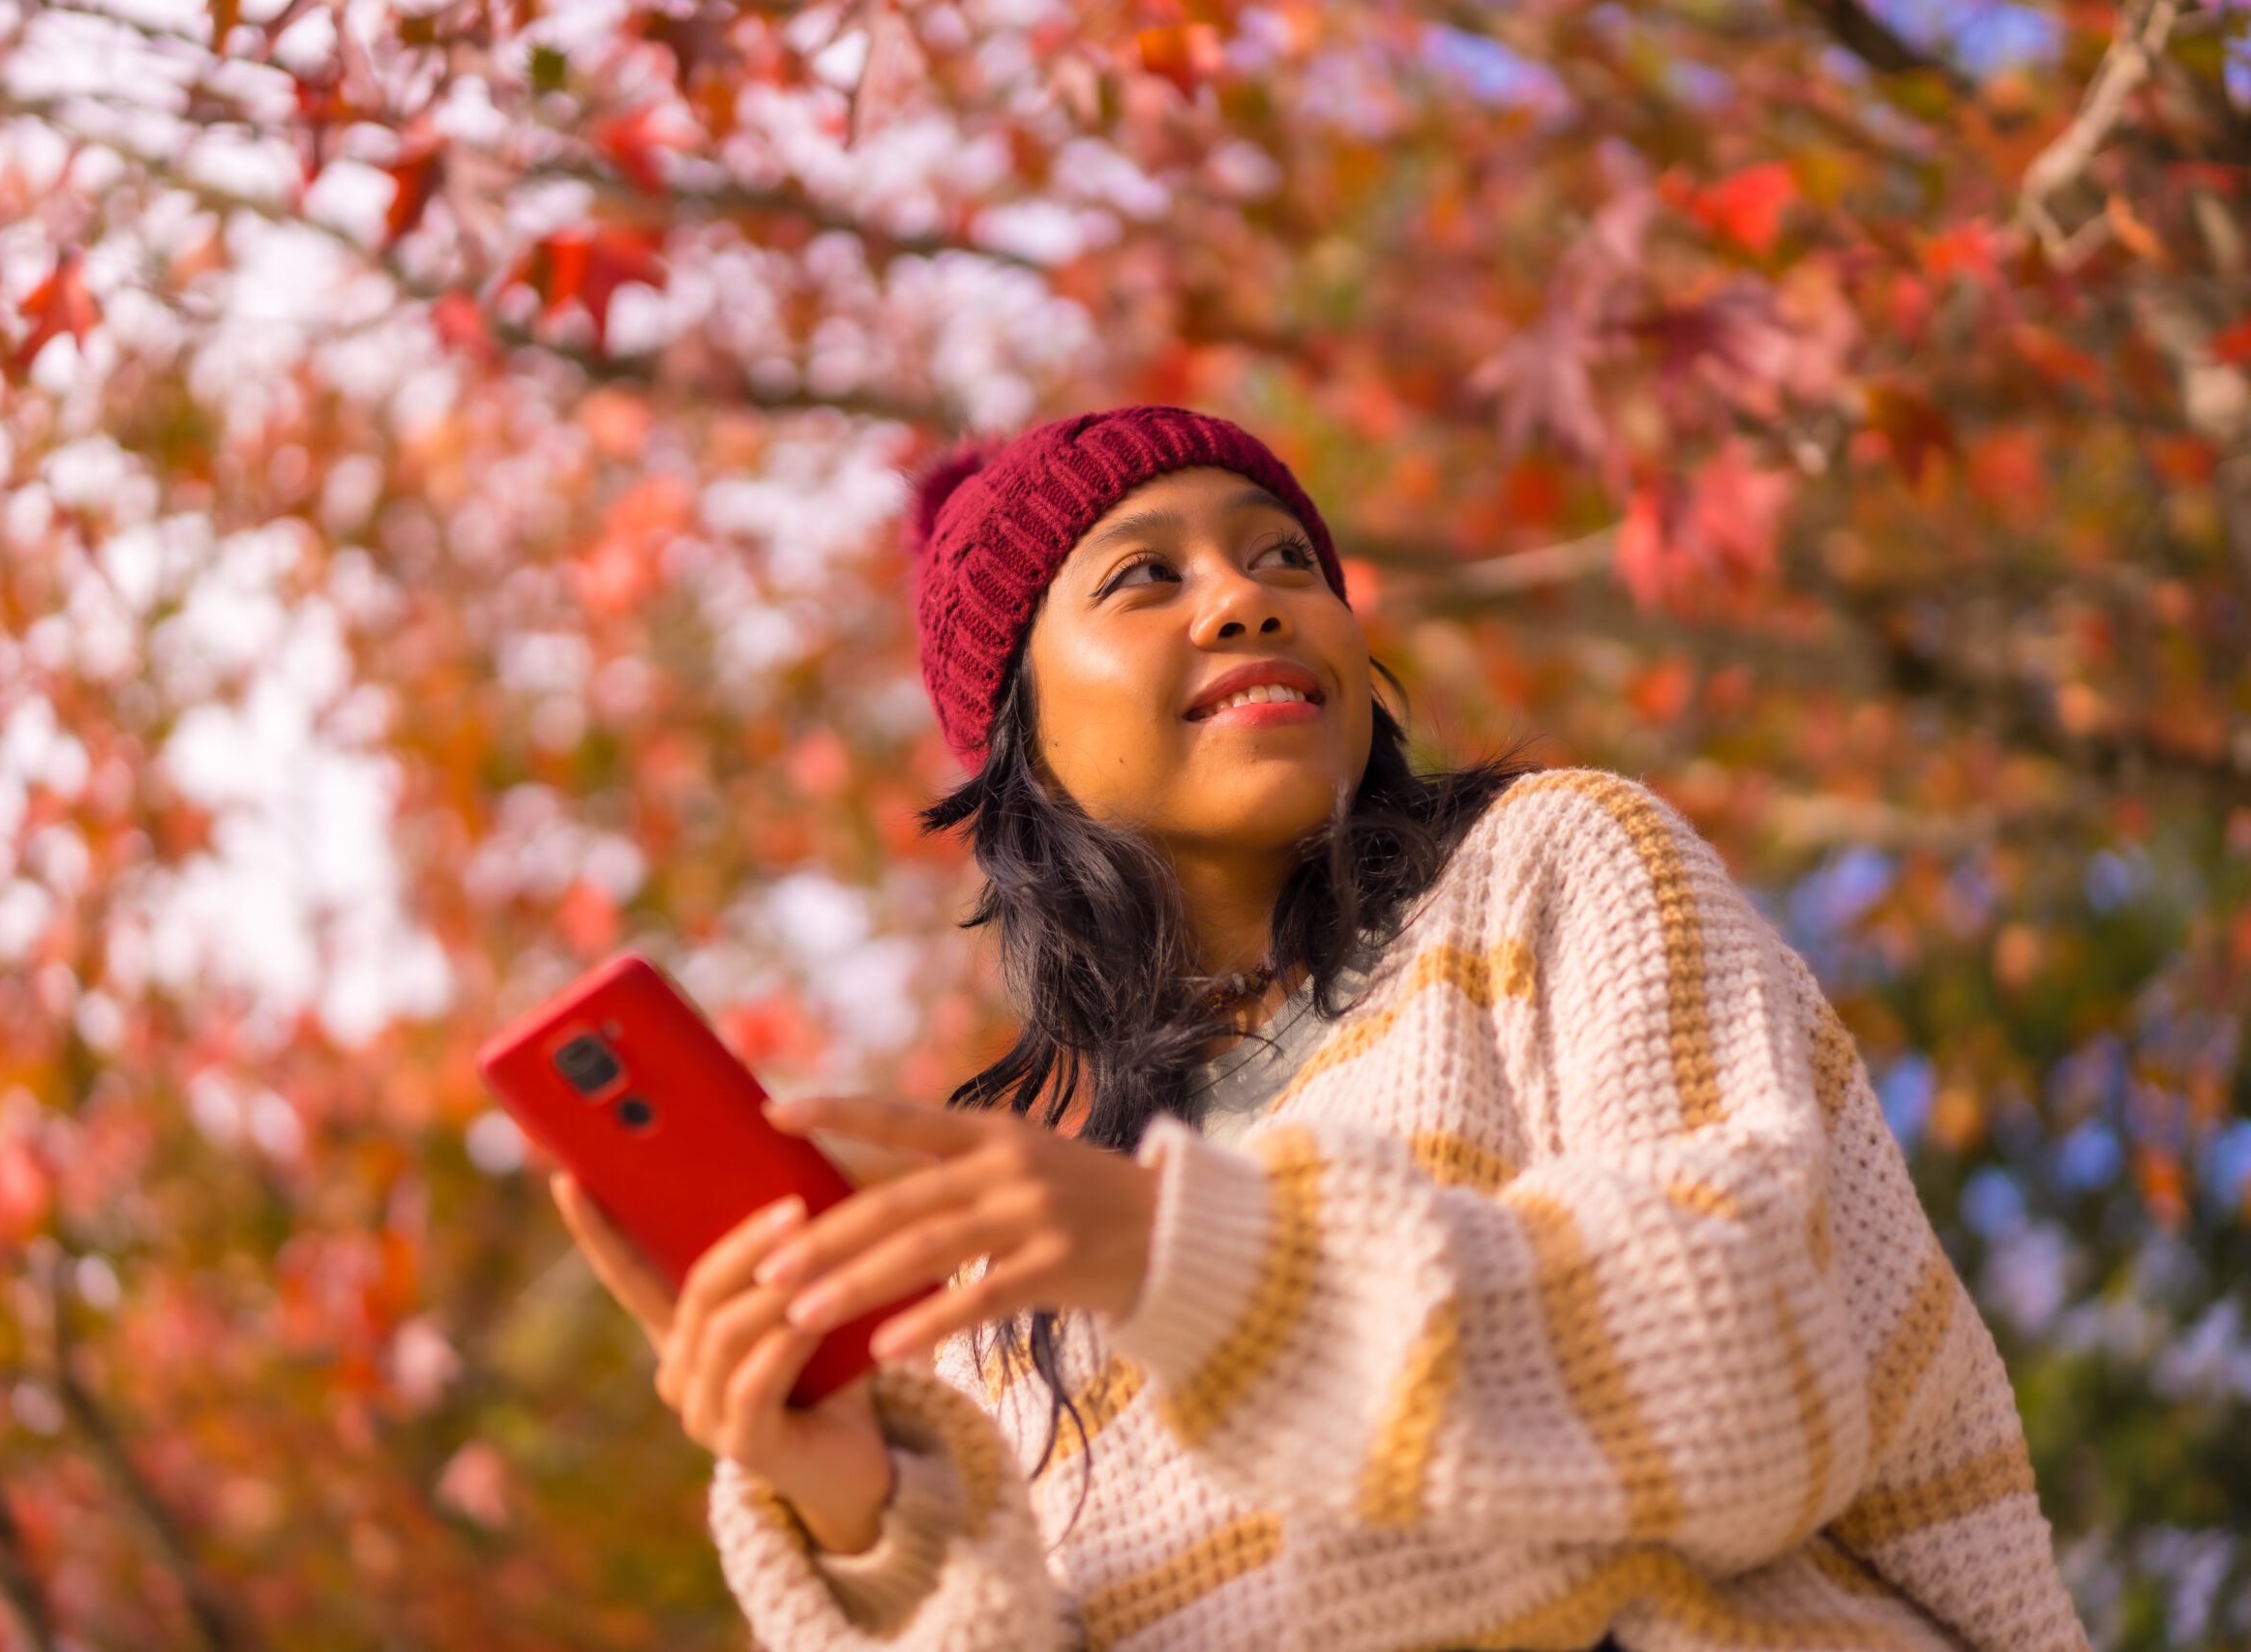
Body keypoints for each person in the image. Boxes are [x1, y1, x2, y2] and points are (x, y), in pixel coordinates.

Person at [550, 406, 2088, 1652]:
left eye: (1285, 554)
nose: (1247, 594)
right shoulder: (1008, 1260)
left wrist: (1191, 1258)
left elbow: (1759, 1368)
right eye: (1142, 577)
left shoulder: (1551, 872)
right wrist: (867, 1523)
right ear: (1024, 741)